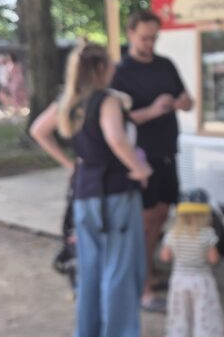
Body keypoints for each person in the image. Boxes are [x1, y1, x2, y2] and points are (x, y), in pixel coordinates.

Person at [30, 42, 153, 337]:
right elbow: (116, 139)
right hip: (115, 194)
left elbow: (38, 130)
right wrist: (139, 168)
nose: (114, 68)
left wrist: (71, 165)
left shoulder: (69, 102)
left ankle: (88, 331)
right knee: (119, 269)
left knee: (90, 270)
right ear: (99, 68)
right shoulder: (107, 101)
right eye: (110, 63)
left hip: (84, 194)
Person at [109, 10, 194, 311]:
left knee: (160, 216)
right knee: (144, 223)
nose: (150, 43)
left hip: (168, 152)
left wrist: (182, 102)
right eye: (145, 38)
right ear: (131, 33)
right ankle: (142, 286)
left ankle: (149, 271)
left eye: (154, 38)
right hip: (141, 158)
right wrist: (154, 110)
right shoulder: (120, 71)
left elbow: (188, 99)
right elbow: (116, 120)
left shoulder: (165, 64)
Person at [160, 196, 224, 337]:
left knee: (178, 315)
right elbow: (213, 259)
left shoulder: (172, 234)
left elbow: (165, 257)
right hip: (202, 281)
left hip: (179, 281)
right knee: (204, 317)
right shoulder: (207, 234)